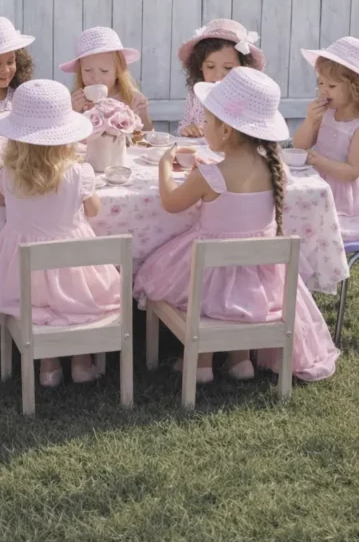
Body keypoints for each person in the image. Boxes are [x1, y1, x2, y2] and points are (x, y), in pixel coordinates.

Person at [134, 67, 339, 384]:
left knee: (180, 278)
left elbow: (171, 202)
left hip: (209, 273)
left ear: (226, 130)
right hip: (260, 281)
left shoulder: (209, 176)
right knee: (233, 284)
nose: (204, 127)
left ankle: (201, 363)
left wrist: (164, 165)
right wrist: (206, 169)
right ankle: (240, 360)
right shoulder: (276, 169)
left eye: (207, 121)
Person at [0, 79, 121, 387]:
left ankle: (48, 367)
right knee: (78, 300)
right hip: (75, 269)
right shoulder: (79, 173)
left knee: (37, 302)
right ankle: (81, 363)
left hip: (22, 273)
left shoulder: (8, 175)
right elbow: (93, 210)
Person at [293, 36, 359, 241]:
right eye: (321, 82)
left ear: (358, 89)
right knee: (290, 216)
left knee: (310, 228)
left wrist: (318, 161)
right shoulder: (328, 113)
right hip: (322, 189)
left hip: (353, 205)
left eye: (331, 86)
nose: (323, 90)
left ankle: (320, 262)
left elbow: (352, 173)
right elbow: (299, 146)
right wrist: (310, 120)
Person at [177, 18, 265, 138]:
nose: (218, 75)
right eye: (210, 66)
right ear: (200, 66)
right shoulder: (195, 93)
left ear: (243, 67)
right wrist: (187, 130)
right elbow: (185, 124)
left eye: (228, 67)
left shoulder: (248, 96)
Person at [60, 26, 152, 130]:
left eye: (104, 71)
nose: (96, 78)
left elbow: (148, 135)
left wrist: (143, 113)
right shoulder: (76, 102)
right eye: (87, 70)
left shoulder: (130, 98)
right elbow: (65, 135)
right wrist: (72, 112)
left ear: (118, 71)